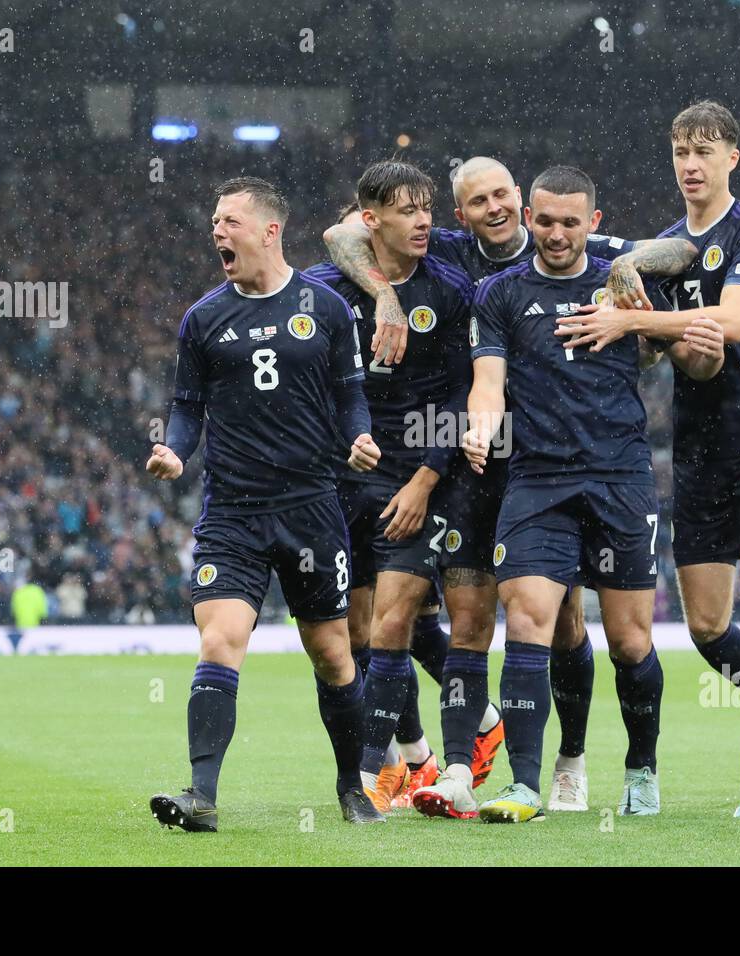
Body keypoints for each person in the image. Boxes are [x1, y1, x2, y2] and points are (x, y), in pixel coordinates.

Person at [324, 156, 689, 812]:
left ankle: (574, 760)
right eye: (478, 201)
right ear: (462, 215)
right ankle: (447, 769)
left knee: (579, 627)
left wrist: (632, 273)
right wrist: (384, 294)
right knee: (462, 618)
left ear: (520, 198)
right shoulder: (456, 258)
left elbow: (681, 249)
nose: (493, 208)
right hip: (491, 465)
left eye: (500, 195)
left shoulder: (595, 252)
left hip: (589, 464)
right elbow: (344, 234)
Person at [558, 101, 740, 817]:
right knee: (705, 626)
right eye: (680, 151)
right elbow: (660, 354)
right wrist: (638, 328)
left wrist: (633, 318)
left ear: (733, 158)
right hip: (697, 447)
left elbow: (731, 323)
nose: (691, 165)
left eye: (704, 151)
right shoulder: (665, 248)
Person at [453, 165, 724, 823]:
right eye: (544, 220)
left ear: (593, 223)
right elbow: (487, 381)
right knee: (528, 620)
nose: (555, 234)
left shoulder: (619, 277)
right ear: (529, 217)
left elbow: (685, 250)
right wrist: (480, 425)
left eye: (570, 223)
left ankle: (641, 767)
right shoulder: (499, 293)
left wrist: (629, 283)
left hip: (619, 478)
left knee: (630, 640)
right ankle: (524, 784)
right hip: (537, 481)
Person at [146, 176, 384, 828]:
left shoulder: (326, 309)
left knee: (333, 653)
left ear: (269, 230)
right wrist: (175, 452)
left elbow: (350, 395)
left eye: (230, 220)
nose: (217, 231)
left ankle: (352, 788)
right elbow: (187, 409)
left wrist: (359, 436)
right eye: (214, 221)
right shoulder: (203, 318)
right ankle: (201, 796)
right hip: (233, 512)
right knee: (219, 641)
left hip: (311, 507)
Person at [305, 160, 492, 814]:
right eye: (407, 211)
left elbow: (463, 392)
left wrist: (424, 479)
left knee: (394, 621)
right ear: (370, 219)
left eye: (426, 209)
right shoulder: (322, 291)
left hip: (420, 472)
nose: (422, 222)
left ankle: (371, 772)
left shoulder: (450, 285)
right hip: (342, 474)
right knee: (353, 632)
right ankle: (413, 759)